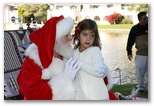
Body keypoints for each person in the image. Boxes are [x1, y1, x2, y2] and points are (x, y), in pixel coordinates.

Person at [17, 15, 80, 100]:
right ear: (55, 39)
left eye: (70, 34)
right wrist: (65, 78)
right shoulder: (33, 61)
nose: (71, 38)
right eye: (66, 35)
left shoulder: (67, 54)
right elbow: (34, 94)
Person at [72, 19, 110, 100]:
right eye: (85, 34)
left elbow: (100, 71)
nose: (88, 39)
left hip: (98, 97)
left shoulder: (94, 51)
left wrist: (80, 64)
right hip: (82, 97)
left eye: (92, 36)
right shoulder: (73, 53)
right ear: (78, 35)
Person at [126, 11, 148, 91]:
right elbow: (130, 41)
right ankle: (141, 87)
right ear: (140, 20)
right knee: (140, 72)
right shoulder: (135, 29)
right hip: (140, 55)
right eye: (144, 18)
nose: (147, 19)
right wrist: (129, 52)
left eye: (147, 18)